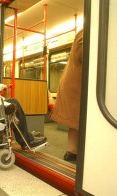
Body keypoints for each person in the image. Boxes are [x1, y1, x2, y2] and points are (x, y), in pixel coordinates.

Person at [50, 29, 83, 162]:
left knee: (76, 121)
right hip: (76, 84)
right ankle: (72, 152)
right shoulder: (87, 30)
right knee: (76, 120)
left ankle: (73, 152)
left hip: (76, 84)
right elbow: (82, 54)